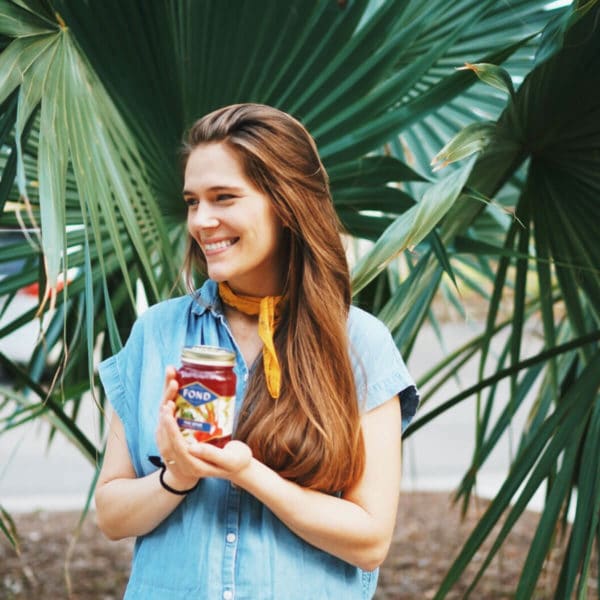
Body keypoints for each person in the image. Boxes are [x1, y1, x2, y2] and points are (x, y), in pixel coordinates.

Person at [95, 103, 419, 600]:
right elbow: (112, 515)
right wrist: (177, 477)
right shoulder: (158, 332)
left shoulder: (358, 342)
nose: (202, 221)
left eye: (224, 198)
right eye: (192, 201)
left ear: (285, 204)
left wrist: (249, 473)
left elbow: (370, 539)